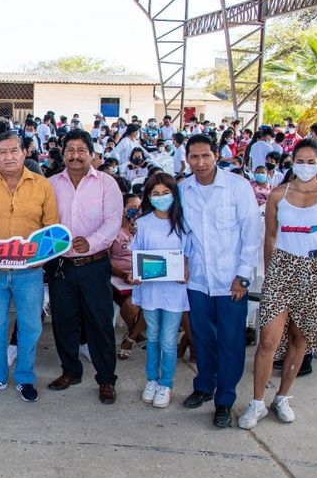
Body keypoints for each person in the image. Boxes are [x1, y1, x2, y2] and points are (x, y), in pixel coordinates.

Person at [239, 139, 317, 429]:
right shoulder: (278, 195)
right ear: (292, 162)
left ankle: (282, 397)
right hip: (281, 269)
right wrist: (271, 273)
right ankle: (257, 402)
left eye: (311, 162)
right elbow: (270, 237)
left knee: (299, 339)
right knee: (268, 340)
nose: (305, 166)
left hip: (315, 272)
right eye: (300, 161)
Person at [0, 131, 59, 403]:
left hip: (29, 272)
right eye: (2, 152)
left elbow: (50, 226)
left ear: (24, 153)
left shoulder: (42, 185)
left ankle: (24, 378)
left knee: (31, 327)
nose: (8, 156)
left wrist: (41, 257)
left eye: (13, 151)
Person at [180, 134, 260, 428]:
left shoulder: (237, 187)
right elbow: (183, 233)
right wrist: (183, 263)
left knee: (230, 340)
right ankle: (204, 385)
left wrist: (243, 276)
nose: (200, 163)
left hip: (230, 281)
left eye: (206, 156)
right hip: (197, 280)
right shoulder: (183, 189)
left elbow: (251, 233)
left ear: (216, 155)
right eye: (194, 157)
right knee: (202, 337)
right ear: (187, 159)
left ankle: (224, 400)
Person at [46, 131, 122, 404]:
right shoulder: (50, 184)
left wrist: (90, 242)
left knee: (99, 322)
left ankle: (106, 379)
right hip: (60, 265)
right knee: (63, 321)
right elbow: (43, 221)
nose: (75, 155)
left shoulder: (106, 183)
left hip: (94, 264)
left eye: (81, 150)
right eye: (70, 150)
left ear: (91, 154)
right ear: (63, 153)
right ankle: (70, 371)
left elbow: (113, 222)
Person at [130, 173, 189, 409]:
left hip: (174, 291)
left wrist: (185, 270)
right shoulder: (143, 223)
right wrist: (135, 272)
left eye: (166, 193)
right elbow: (137, 254)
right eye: (155, 194)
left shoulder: (183, 223)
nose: (161, 197)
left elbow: (189, 255)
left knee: (168, 339)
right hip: (151, 291)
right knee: (153, 337)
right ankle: (152, 380)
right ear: (148, 197)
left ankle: (166, 383)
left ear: (174, 195)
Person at [111, 194, 147, 359]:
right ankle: (136, 334)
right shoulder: (113, 230)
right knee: (130, 306)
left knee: (152, 301)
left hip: (143, 275)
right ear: (122, 209)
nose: (136, 211)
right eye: (132, 208)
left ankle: (131, 337)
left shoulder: (142, 228)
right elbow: (106, 260)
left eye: (138, 208)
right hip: (119, 277)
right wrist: (123, 274)